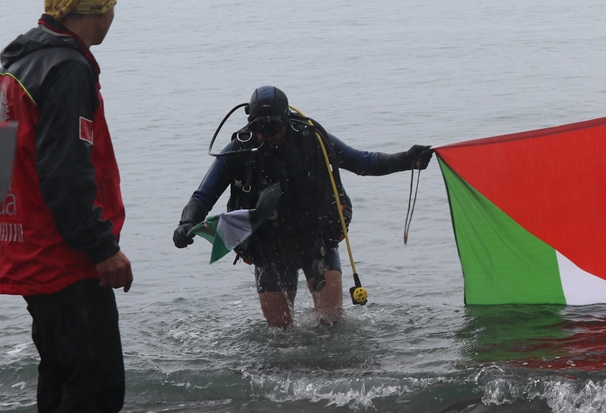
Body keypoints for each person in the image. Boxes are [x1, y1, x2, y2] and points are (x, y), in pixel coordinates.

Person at [0, 0, 140, 413]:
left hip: (23, 239)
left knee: (61, 379)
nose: (111, 19)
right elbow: (64, 167)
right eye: (109, 9)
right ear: (94, 9)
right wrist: (102, 247)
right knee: (98, 384)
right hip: (62, 252)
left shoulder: (20, 61)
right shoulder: (68, 66)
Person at [173, 86, 432, 327]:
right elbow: (203, 196)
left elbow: (362, 162)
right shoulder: (240, 149)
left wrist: (408, 159)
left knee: (331, 323)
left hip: (316, 238)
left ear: (286, 119)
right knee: (279, 333)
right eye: (259, 127)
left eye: (273, 126)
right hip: (269, 246)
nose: (266, 135)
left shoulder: (312, 140)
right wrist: (187, 222)